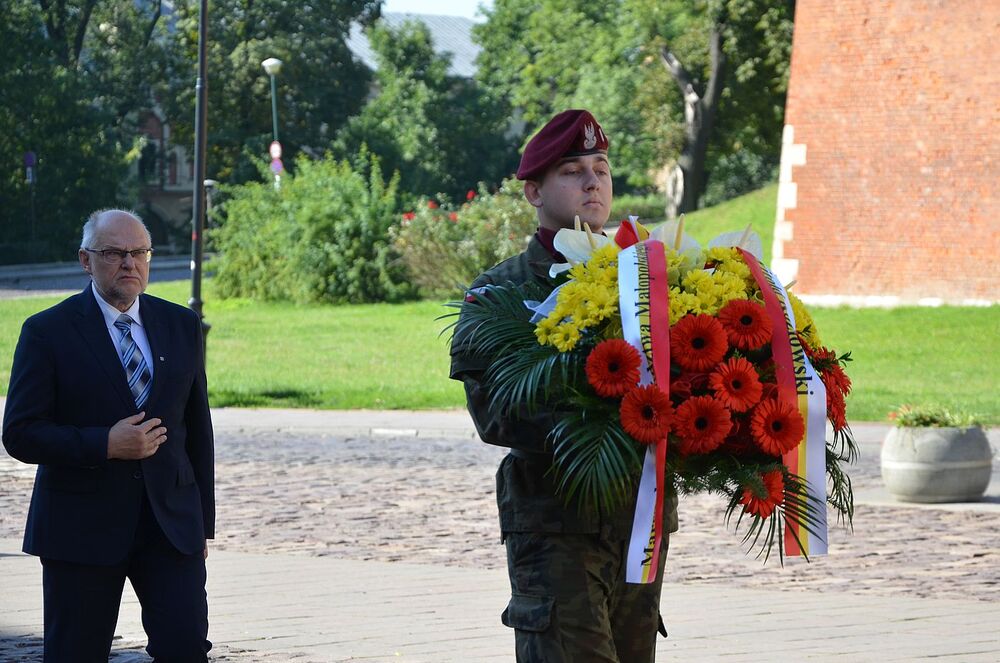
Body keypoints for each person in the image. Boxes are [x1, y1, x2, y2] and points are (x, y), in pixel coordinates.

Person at [450, 110, 679, 662]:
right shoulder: (502, 291)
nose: (592, 181)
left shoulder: (650, 279)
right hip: (554, 524)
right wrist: (604, 418)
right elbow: (494, 413)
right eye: (572, 170)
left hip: (637, 521)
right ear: (534, 191)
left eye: (600, 167)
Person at [3, 209, 214, 662]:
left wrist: (200, 529)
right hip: (80, 527)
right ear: (85, 260)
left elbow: (197, 432)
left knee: (186, 647)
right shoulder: (46, 332)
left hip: (169, 528)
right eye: (113, 252)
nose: (129, 263)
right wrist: (104, 443)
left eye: (139, 252)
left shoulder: (181, 325)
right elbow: (20, 433)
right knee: (76, 653)